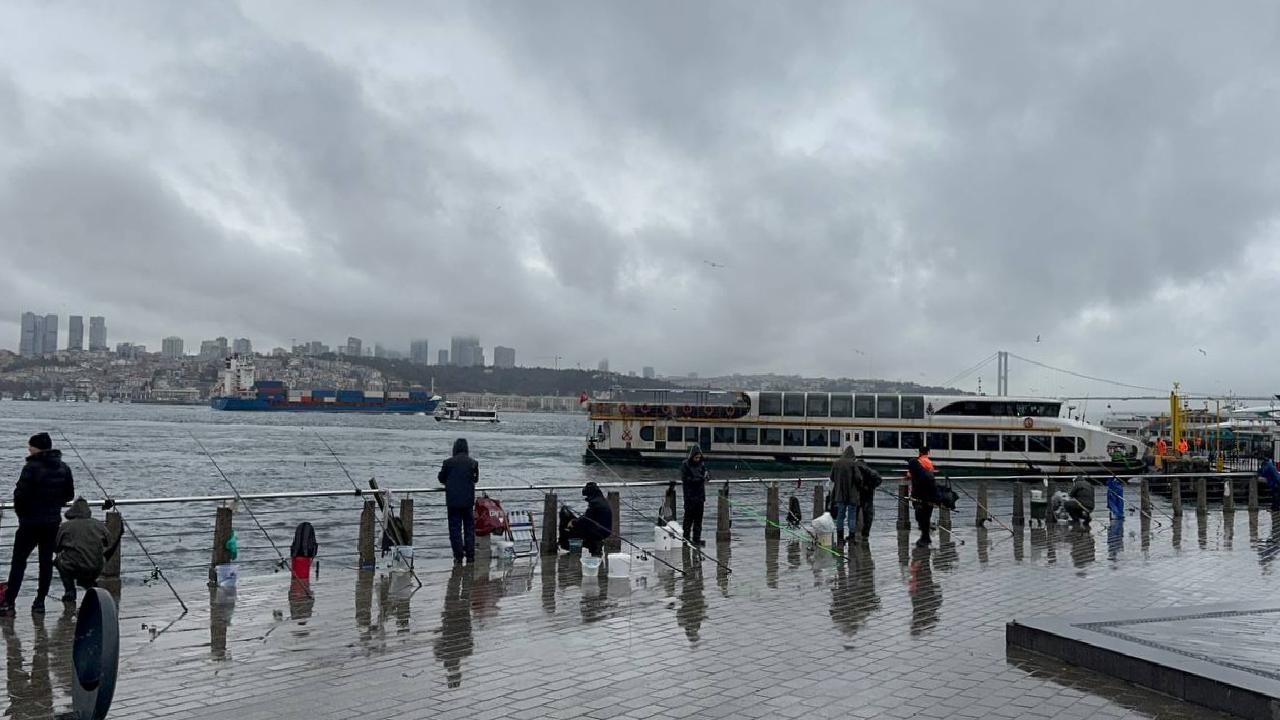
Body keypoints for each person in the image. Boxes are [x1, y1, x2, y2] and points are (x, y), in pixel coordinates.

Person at [1, 433, 75, 615]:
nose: (28, 449)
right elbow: (69, 495)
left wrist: (22, 515)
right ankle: (39, 603)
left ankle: (9, 603)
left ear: (37, 448)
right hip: (51, 523)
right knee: (45, 563)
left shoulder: (31, 468)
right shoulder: (64, 468)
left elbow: (19, 495)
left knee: (19, 562)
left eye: (30, 446)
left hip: (30, 523)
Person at [54, 497, 119, 603]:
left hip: (74, 567)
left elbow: (56, 548)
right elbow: (109, 542)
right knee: (90, 559)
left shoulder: (65, 526)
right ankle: (89, 585)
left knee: (58, 561)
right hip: (96, 567)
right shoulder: (99, 525)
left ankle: (70, 590)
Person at [438, 438, 479, 565]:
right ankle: (471, 556)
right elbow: (476, 479)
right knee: (469, 528)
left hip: (453, 501)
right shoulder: (473, 463)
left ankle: (458, 556)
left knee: (454, 529)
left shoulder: (448, 463)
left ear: (455, 448)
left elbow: (441, 478)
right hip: (468, 501)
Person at [559, 482, 613, 557]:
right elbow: (588, 517)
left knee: (571, 529)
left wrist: (573, 522)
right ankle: (595, 546)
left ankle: (576, 550)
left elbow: (586, 519)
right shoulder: (602, 500)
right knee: (579, 525)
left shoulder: (595, 503)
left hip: (598, 531)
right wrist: (577, 520)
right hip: (606, 530)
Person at [828, 447, 859, 545]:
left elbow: (832, 478)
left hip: (839, 494)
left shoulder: (836, 463)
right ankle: (852, 537)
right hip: (852, 495)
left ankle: (840, 538)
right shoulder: (853, 464)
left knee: (840, 516)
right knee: (852, 516)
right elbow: (858, 478)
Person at [906, 456, 938, 547]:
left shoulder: (925, 475)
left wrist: (926, 500)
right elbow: (915, 489)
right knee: (921, 519)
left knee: (924, 519)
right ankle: (925, 537)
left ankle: (925, 538)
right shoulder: (916, 474)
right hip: (919, 501)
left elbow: (931, 489)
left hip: (926, 501)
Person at [680, 446, 707, 546]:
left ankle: (697, 539)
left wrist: (706, 476)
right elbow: (687, 479)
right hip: (690, 497)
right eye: (696, 457)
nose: (698, 459)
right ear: (692, 456)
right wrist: (700, 478)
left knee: (698, 520)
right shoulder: (685, 465)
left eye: (699, 457)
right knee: (688, 520)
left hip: (700, 496)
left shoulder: (702, 465)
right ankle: (686, 539)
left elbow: (706, 475)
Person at [852, 455, 882, 540]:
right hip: (868, 494)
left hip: (858, 495)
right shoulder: (870, 471)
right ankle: (865, 534)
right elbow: (879, 479)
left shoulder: (855, 470)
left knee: (854, 514)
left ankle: (853, 533)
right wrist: (871, 486)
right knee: (868, 515)